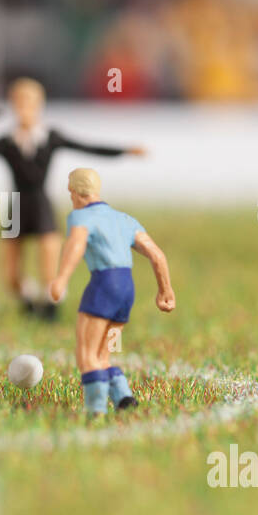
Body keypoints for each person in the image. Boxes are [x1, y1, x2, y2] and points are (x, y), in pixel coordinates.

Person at [0, 77, 145, 319]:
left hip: (40, 205)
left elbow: (88, 147)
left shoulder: (50, 137)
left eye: (29, 102)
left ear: (39, 105)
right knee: (11, 276)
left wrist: (123, 150)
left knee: (50, 268)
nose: (24, 108)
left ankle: (51, 306)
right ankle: (27, 299)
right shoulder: (5, 142)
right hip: (16, 209)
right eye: (19, 102)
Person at [48, 168, 175, 414]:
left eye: (71, 193)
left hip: (104, 284)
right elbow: (157, 256)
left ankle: (95, 409)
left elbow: (75, 245)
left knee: (86, 354)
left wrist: (61, 278)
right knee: (102, 354)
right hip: (127, 289)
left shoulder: (81, 217)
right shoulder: (124, 219)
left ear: (76, 193)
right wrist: (165, 290)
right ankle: (123, 397)